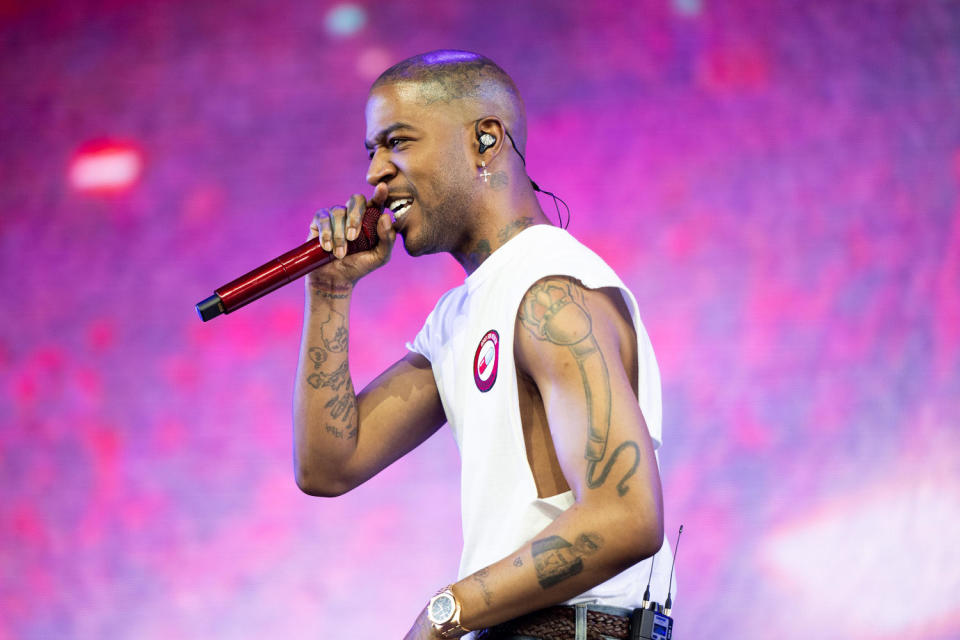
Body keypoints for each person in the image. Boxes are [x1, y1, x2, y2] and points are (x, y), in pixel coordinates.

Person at [293, 50, 673, 640]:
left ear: (485, 140)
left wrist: (446, 613)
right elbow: (329, 465)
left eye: (397, 141)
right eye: (371, 151)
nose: (374, 174)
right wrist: (330, 291)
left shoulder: (549, 291)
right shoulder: (461, 314)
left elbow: (626, 517)